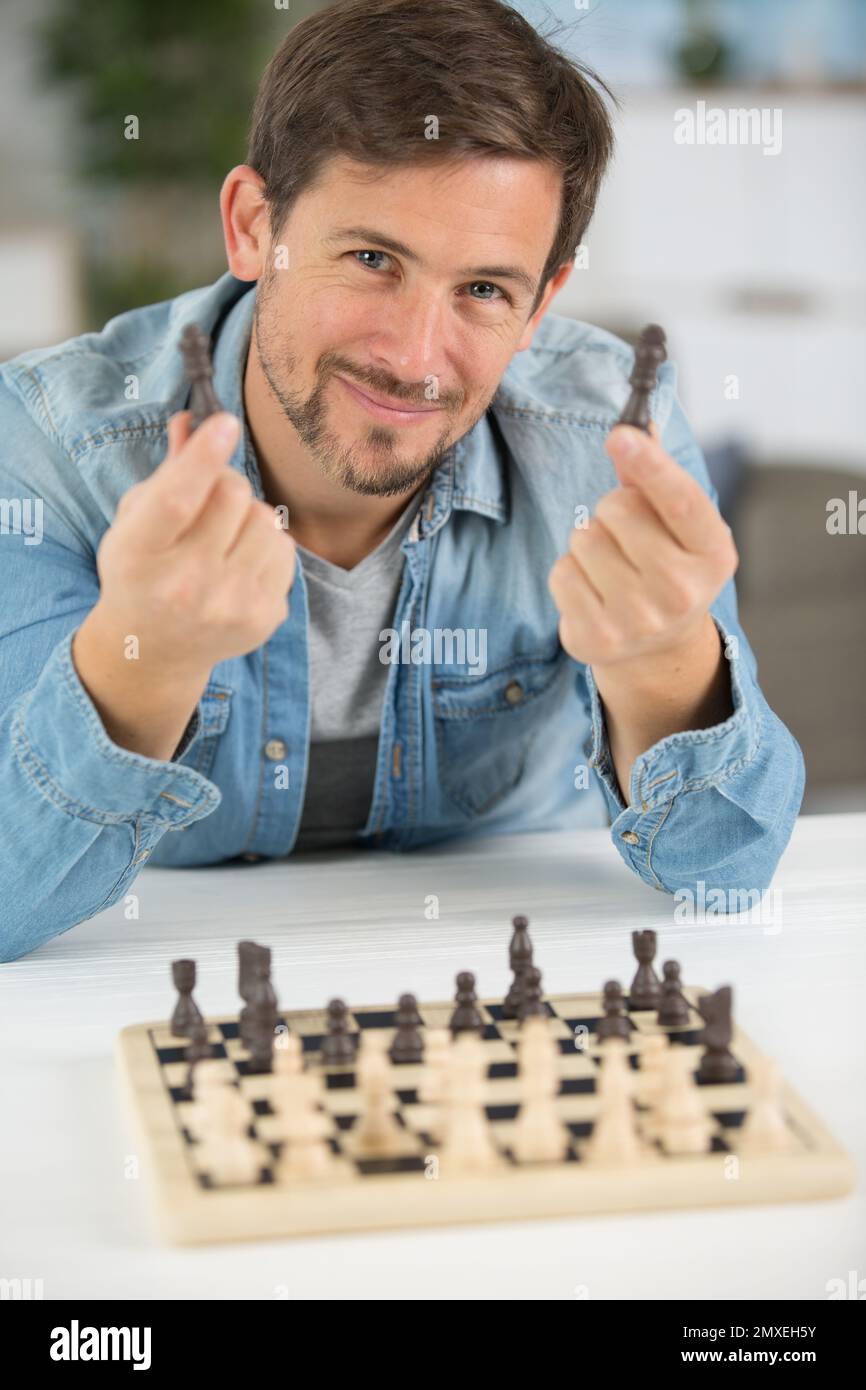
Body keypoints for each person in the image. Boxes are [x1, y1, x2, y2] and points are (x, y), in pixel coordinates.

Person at [0, 0, 804, 961]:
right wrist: (146, 659)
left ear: (542, 301)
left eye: (482, 291)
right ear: (254, 226)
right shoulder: (42, 444)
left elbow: (728, 878)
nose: (415, 358)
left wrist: (667, 662)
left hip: (510, 977)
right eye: (372, 259)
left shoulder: (611, 440)